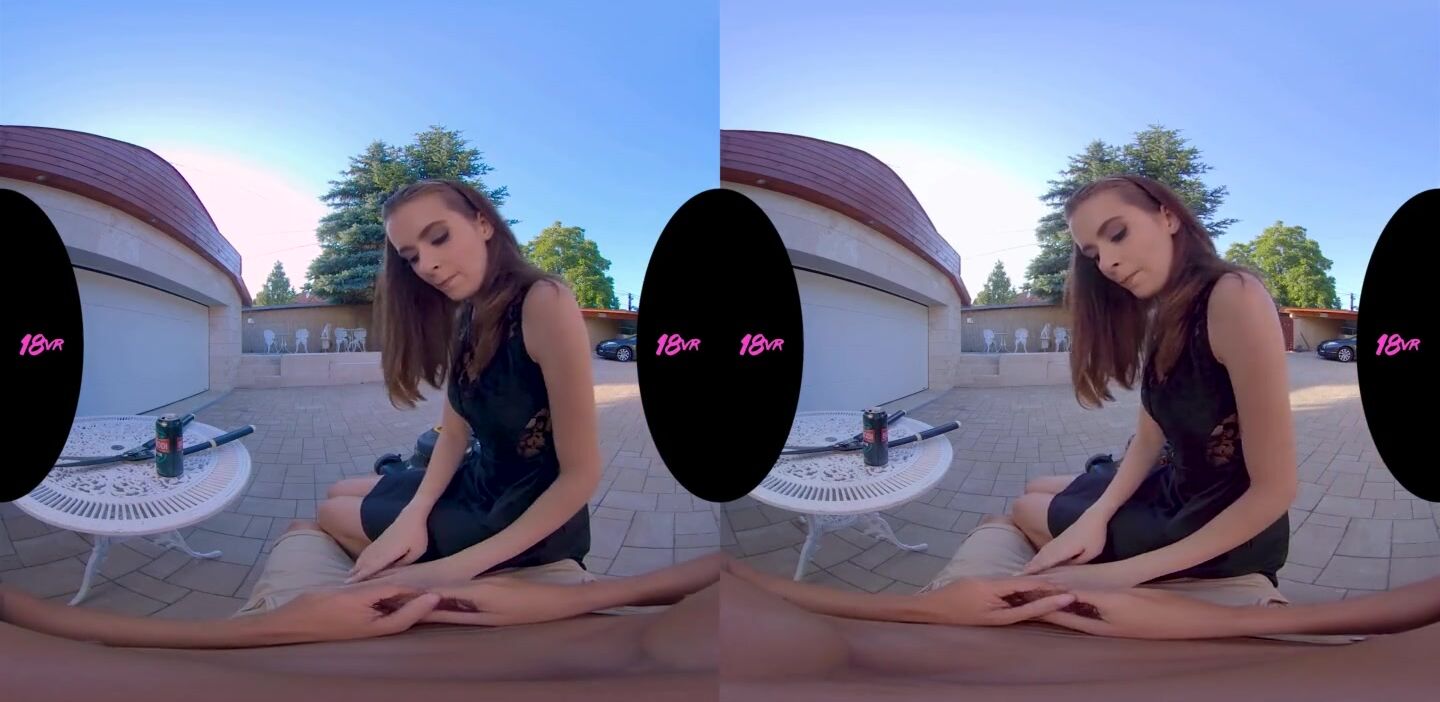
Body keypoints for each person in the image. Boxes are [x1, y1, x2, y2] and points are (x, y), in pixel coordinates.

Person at [1009, 174, 1298, 591]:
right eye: (1093, 254)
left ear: (1168, 217)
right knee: (1037, 486)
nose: (1106, 264)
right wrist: (1096, 517)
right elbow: (1148, 439)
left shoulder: (1235, 296)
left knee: (1026, 508)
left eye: (1117, 234)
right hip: (1174, 488)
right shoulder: (1166, 316)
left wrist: (1120, 574)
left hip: (1222, 525)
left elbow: (1276, 490)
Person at [315, 179, 604, 588]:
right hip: (476, 479)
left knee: (331, 514)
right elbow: (453, 433)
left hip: (524, 513)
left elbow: (582, 474)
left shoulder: (545, 300)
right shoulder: (467, 316)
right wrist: (414, 513)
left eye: (439, 238)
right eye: (411, 257)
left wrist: (456, 568)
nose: (426, 266)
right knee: (338, 490)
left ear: (483, 224)